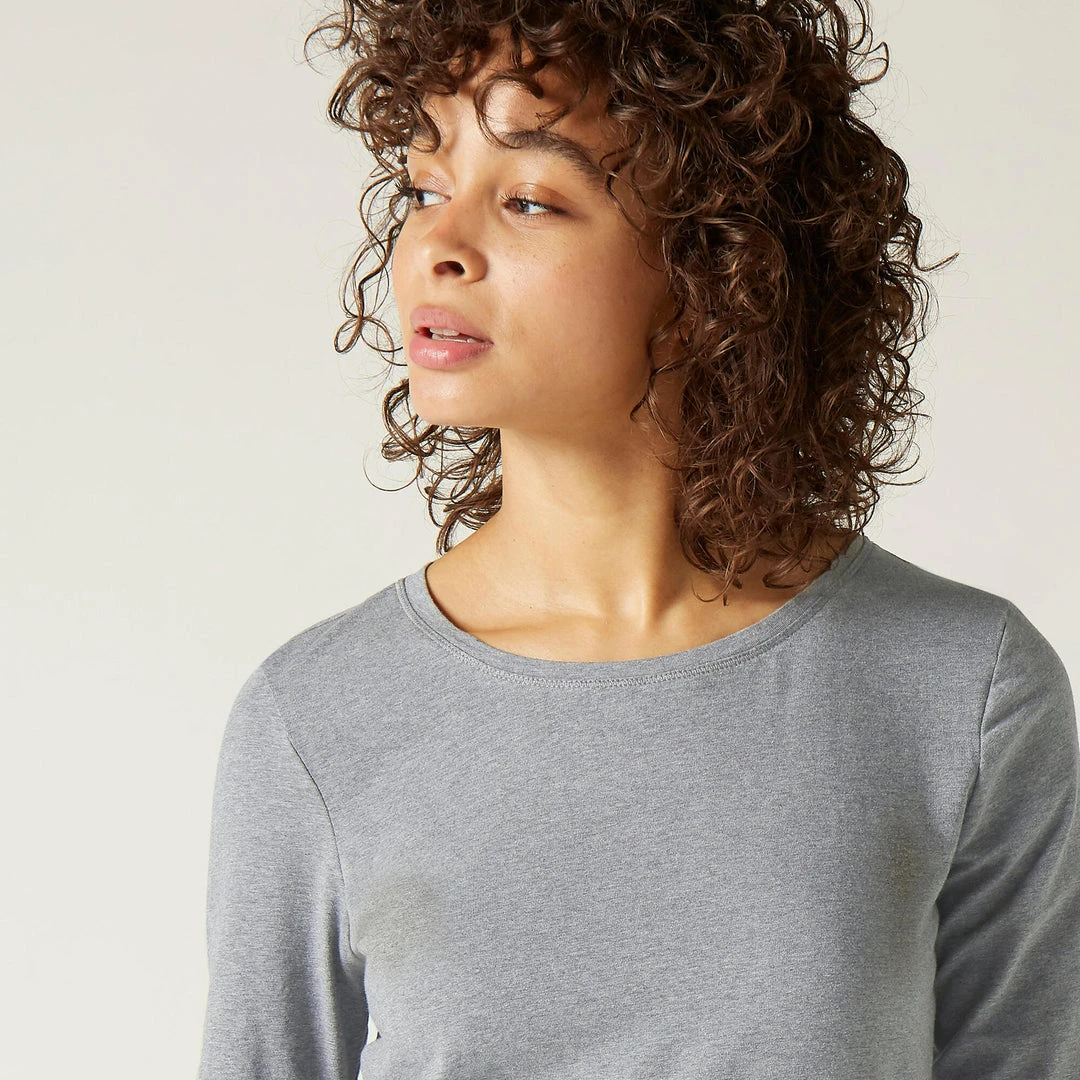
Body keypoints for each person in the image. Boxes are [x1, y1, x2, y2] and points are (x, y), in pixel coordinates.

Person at [197, 2, 1080, 1077]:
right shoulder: (316, 718)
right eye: (426, 188)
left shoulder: (962, 689)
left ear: (717, 265)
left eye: (527, 198)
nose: (437, 247)